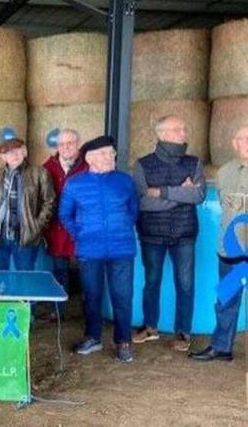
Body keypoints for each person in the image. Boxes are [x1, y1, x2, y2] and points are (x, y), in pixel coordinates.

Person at [59, 135, 138, 363]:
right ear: (90, 159)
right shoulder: (75, 184)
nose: (110, 157)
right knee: (91, 295)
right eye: (104, 153)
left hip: (121, 248)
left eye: (112, 153)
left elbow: (133, 211)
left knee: (122, 296)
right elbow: (65, 214)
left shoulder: (125, 181)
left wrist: (121, 227)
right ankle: (93, 337)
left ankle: (123, 341)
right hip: (90, 249)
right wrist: (81, 234)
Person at [132, 115, 206, 352]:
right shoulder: (142, 164)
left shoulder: (194, 163)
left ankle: (183, 332)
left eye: (184, 129)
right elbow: (142, 202)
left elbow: (198, 195)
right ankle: (150, 326)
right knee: (151, 281)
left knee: (185, 284)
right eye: (178, 129)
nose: (184, 133)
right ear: (162, 134)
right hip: (152, 234)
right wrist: (179, 195)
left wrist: (162, 192)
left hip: (184, 234)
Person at [190, 125, 248, 361]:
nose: (245, 141)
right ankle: (221, 347)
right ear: (234, 143)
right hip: (233, 250)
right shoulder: (224, 172)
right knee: (226, 299)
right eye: (240, 137)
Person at [0, 132, 55, 271]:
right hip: (0, 236)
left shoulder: (39, 173)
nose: (14, 155)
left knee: (25, 279)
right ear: (3, 157)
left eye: (17, 150)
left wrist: (36, 226)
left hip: (25, 236)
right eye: (9, 152)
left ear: (25, 152)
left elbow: (49, 202)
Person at [42, 128, 89, 321]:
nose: (66, 147)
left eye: (70, 143)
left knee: (88, 271)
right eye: (62, 144)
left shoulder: (89, 165)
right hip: (57, 228)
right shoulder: (48, 166)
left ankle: (89, 311)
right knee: (59, 270)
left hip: (82, 228)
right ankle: (59, 311)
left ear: (78, 145)